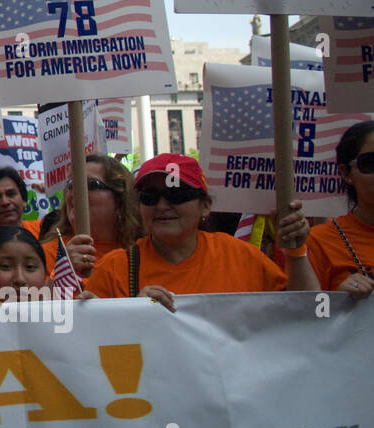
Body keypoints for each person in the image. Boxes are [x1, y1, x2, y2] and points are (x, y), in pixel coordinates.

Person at [84, 153, 317, 310]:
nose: (162, 206)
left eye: (177, 195)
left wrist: (296, 251)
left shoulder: (241, 257)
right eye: (150, 196)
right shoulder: (115, 269)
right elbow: (90, 348)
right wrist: (131, 314)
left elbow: (309, 313)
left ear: (205, 205)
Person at [304, 119, 374, 298]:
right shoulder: (319, 241)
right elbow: (303, 319)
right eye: (371, 163)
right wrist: (336, 299)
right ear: (345, 173)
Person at [43, 154, 141, 279]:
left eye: (91, 185)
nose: (75, 191)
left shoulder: (141, 255)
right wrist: (63, 273)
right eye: (70, 185)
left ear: (120, 200)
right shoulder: (45, 255)